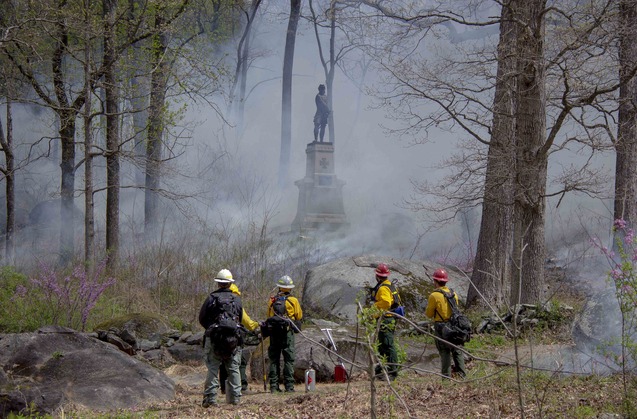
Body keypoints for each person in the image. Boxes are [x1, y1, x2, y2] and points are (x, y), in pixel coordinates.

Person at [199, 269, 244, 407]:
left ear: (218, 283)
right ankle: (235, 398)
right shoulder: (236, 299)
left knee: (212, 368)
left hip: (215, 339)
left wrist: (212, 328)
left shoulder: (211, 298)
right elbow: (240, 319)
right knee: (233, 368)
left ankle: (211, 399)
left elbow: (202, 318)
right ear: (230, 283)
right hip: (233, 340)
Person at [219, 278, 260, 394]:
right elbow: (247, 322)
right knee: (239, 361)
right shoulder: (236, 303)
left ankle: (224, 387)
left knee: (223, 361)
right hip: (234, 337)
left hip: (220, 337)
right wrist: (257, 325)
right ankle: (241, 386)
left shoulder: (217, 301)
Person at [425, 268, 467, 379]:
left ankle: (446, 378)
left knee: (445, 352)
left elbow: (429, 314)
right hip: (454, 326)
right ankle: (462, 375)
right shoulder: (453, 294)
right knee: (457, 349)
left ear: (435, 281)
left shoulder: (434, 296)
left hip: (441, 327)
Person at [265, 275, 303, 393]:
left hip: (274, 333)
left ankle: (274, 386)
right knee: (288, 359)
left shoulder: (272, 300)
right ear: (290, 288)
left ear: (280, 287)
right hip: (287, 332)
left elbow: (269, 316)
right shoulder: (293, 301)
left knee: (274, 359)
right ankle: (289, 386)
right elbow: (299, 316)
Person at [370, 263, 400, 381]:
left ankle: (392, 372)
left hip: (385, 318)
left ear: (377, 275)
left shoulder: (383, 288)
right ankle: (381, 370)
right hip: (390, 318)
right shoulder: (390, 286)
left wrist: (373, 310)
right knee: (382, 345)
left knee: (388, 345)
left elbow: (386, 303)